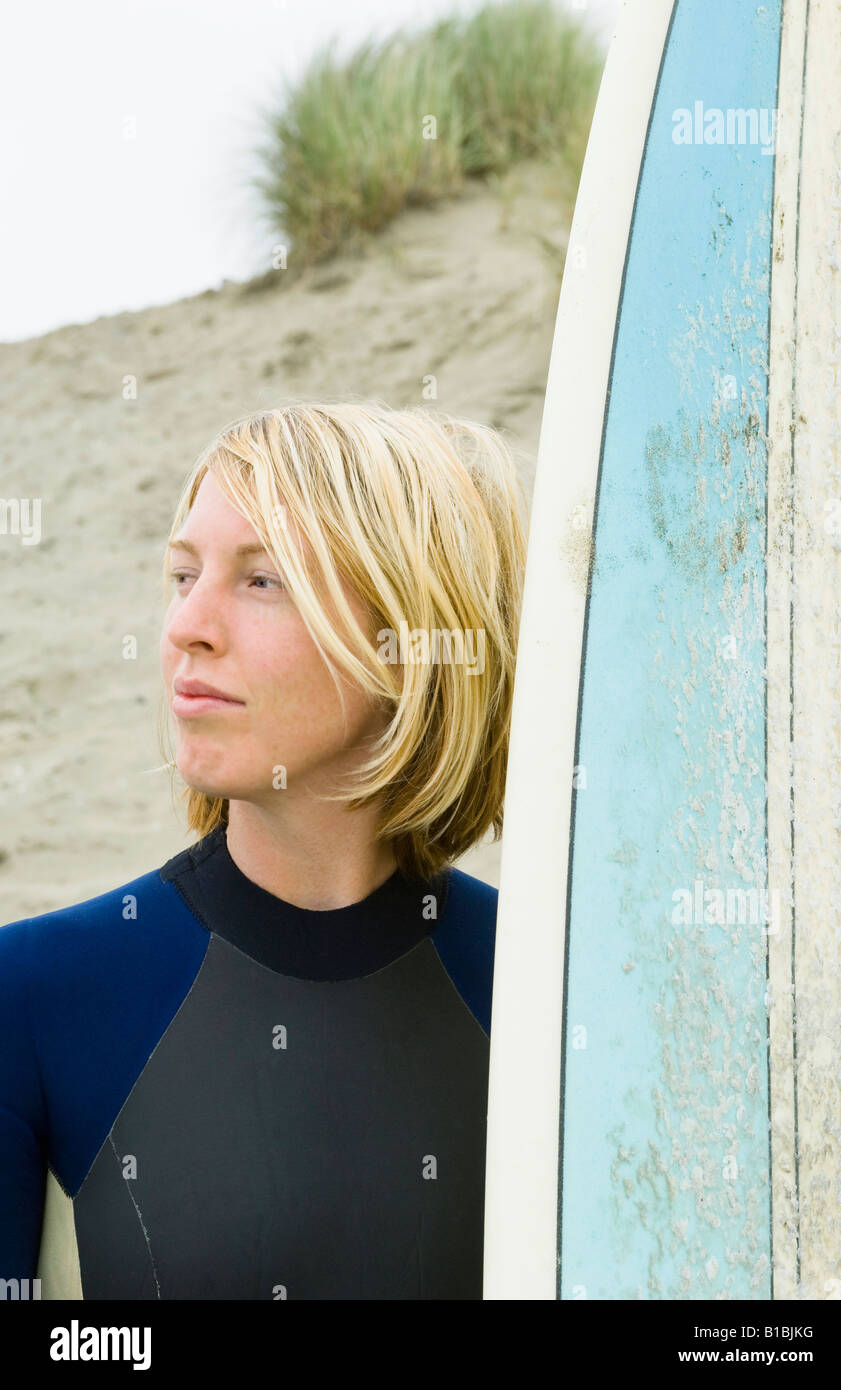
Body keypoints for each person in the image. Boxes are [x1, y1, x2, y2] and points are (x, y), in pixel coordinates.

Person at [0, 400, 527, 1300]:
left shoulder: (547, 995)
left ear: (411, 639)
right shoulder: (35, 994)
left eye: (263, 579)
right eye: (181, 575)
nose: (185, 628)